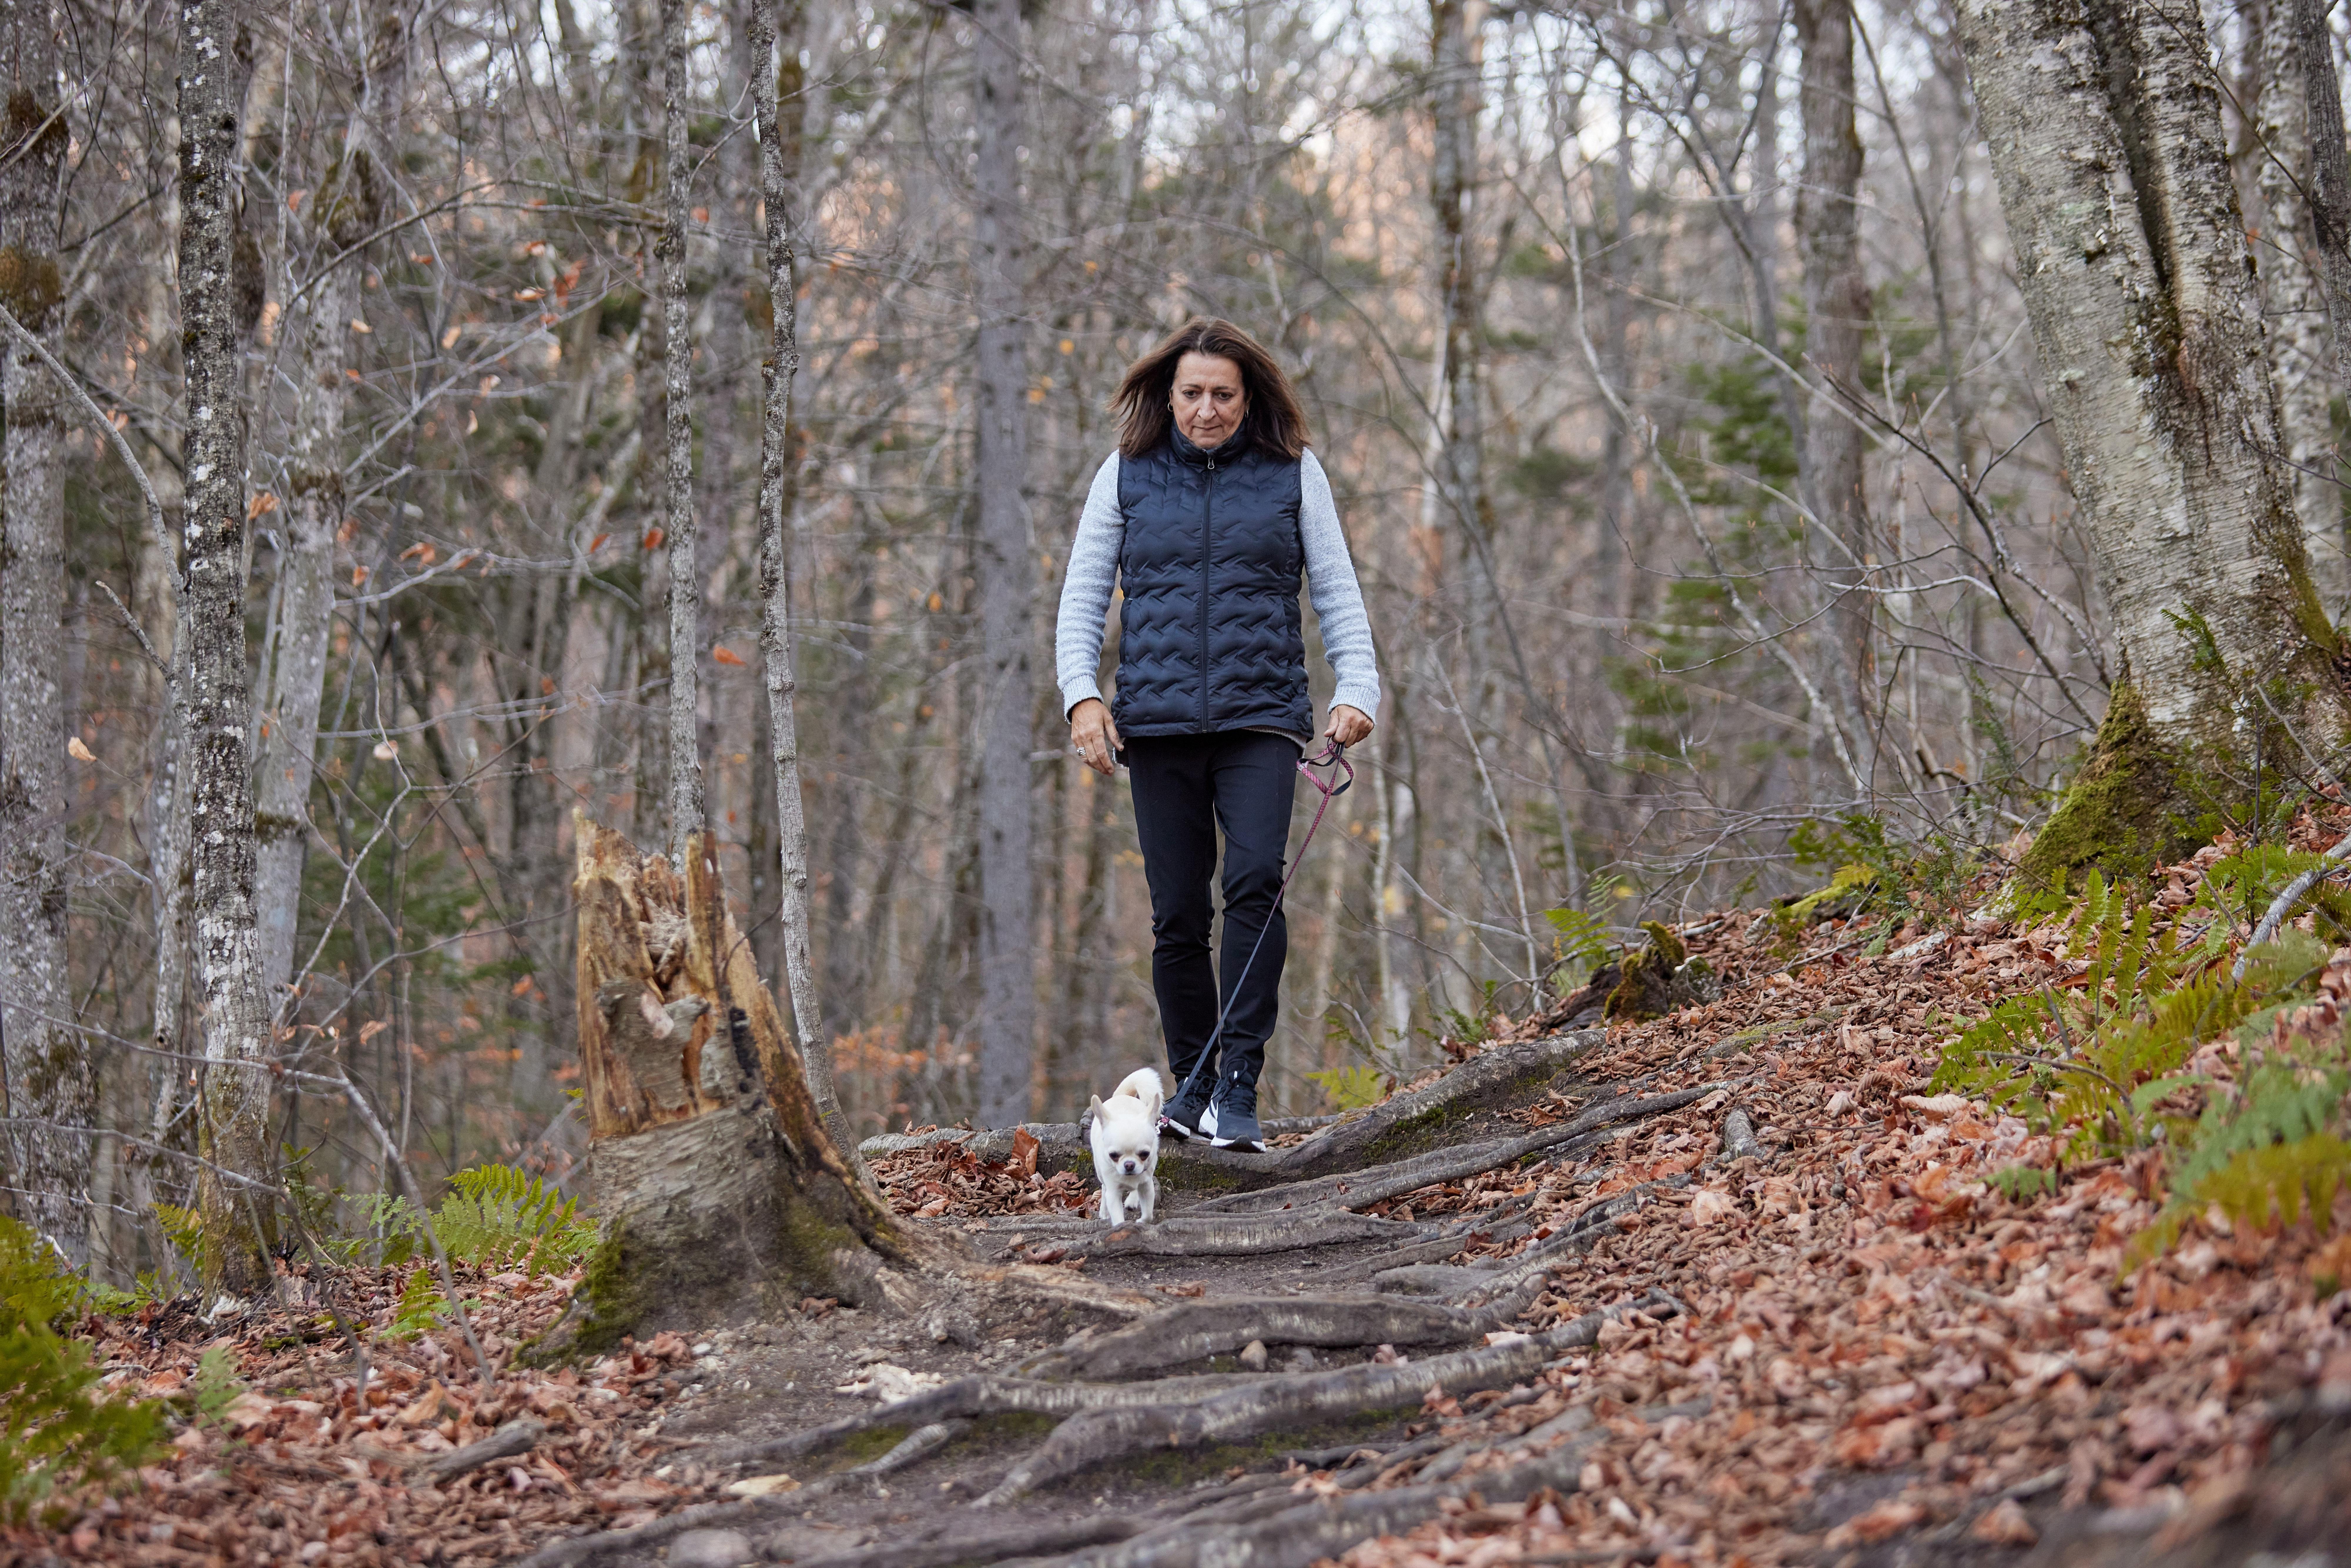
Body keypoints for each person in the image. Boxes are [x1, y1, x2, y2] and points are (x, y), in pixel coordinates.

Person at [1054, 317, 1381, 1153]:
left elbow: (1337, 589)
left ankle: (1237, 1085)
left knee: (1257, 881)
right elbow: (1083, 592)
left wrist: (1358, 690)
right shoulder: (1126, 473)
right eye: (1193, 393)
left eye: (1223, 395)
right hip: (1157, 725)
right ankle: (1191, 1082)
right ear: (1169, 396)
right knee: (1176, 916)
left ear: (1249, 398)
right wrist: (1082, 698)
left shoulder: (1293, 473)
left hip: (1260, 717)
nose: (1207, 410)